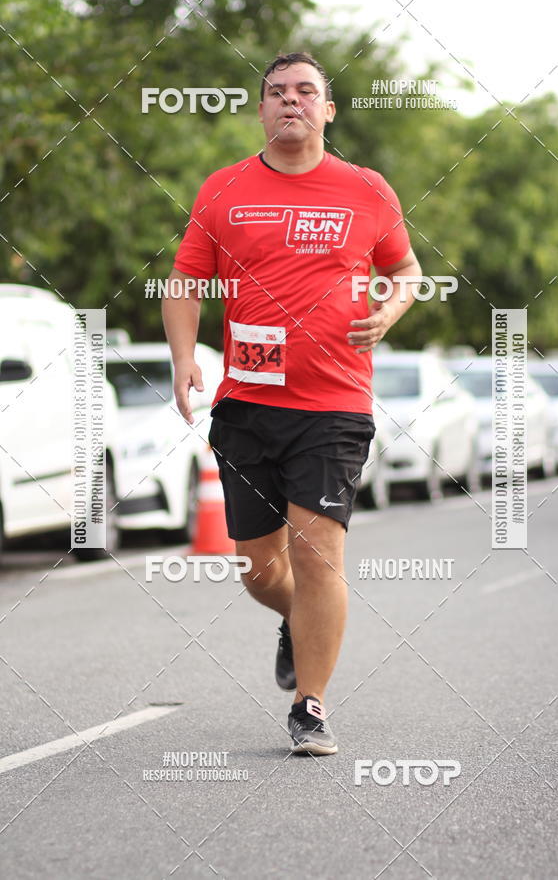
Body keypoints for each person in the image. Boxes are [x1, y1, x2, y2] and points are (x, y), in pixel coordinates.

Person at [162, 51, 421, 755]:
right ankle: (294, 622)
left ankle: (311, 706)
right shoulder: (224, 190)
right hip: (245, 405)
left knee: (318, 557)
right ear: (261, 109)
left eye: (306, 91)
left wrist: (392, 307)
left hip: (334, 405)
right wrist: (185, 360)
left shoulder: (366, 189)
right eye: (276, 92)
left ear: (328, 110)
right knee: (260, 570)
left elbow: (406, 268)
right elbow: (185, 282)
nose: (291, 102)